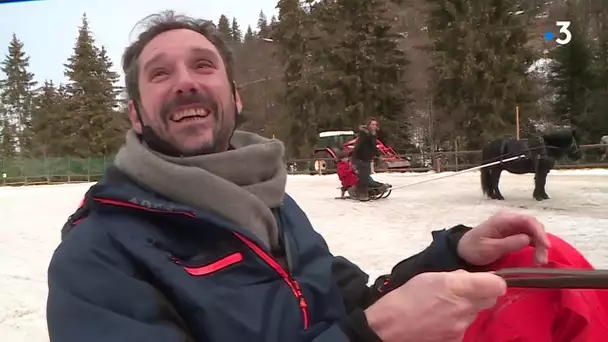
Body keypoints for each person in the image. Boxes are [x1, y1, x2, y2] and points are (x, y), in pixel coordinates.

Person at [46, 11, 601, 342]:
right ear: (137, 115)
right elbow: (368, 325)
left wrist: (456, 253)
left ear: (234, 99)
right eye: (160, 73)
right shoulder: (99, 254)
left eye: (203, 65)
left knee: (534, 267)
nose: (185, 82)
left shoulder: (273, 203)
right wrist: (372, 336)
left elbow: (358, 299)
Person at [351, 119, 379, 201]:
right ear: (368, 125)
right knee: (364, 177)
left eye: (375, 124)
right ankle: (362, 194)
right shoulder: (364, 135)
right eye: (372, 124)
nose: (374, 126)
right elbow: (357, 147)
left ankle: (358, 190)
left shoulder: (373, 136)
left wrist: (377, 155)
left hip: (368, 159)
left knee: (366, 176)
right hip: (361, 159)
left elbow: (373, 147)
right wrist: (354, 160)